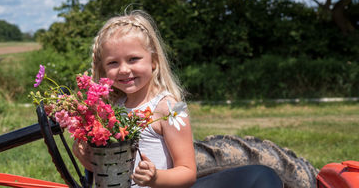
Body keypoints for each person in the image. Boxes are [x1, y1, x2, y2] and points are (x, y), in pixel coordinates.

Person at [73, 10, 283, 188]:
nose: (124, 69)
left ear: (154, 61)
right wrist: (86, 156)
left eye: (133, 59)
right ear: (103, 68)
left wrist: (156, 178)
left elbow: (187, 171)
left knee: (261, 176)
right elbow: (109, 169)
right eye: (113, 63)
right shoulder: (113, 110)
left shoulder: (171, 107)